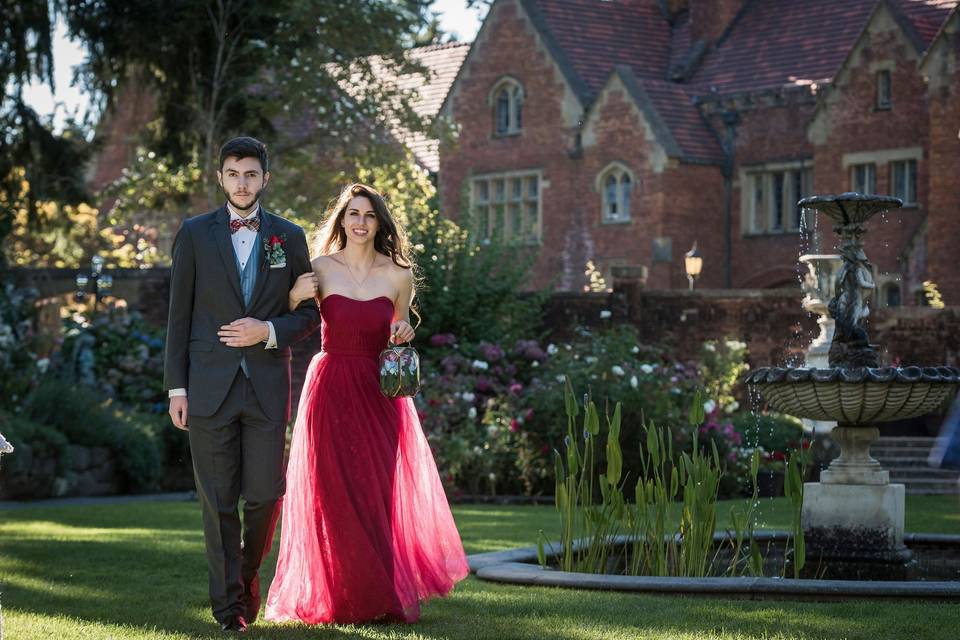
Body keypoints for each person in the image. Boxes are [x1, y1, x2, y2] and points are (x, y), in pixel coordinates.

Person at [265, 183, 468, 624]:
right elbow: (286, 311)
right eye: (352, 214)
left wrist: (403, 331)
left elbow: (398, 326)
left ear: (380, 222)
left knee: (377, 492)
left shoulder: (398, 273)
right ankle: (341, 596)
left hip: (379, 395)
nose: (360, 222)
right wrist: (293, 296)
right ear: (341, 221)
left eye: (369, 215)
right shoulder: (319, 268)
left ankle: (378, 595)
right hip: (331, 386)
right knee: (332, 492)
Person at [163, 136, 320, 633]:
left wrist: (269, 329)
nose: (242, 183)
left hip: (267, 385)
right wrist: (176, 389)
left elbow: (311, 315)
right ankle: (228, 608)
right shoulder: (193, 234)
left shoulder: (289, 237)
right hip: (208, 386)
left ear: (265, 180)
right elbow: (178, 316)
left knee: (265, 496)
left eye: (251, 174)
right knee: (217, 501)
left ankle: (247, 576)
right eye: (234, 174)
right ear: (221, 178)